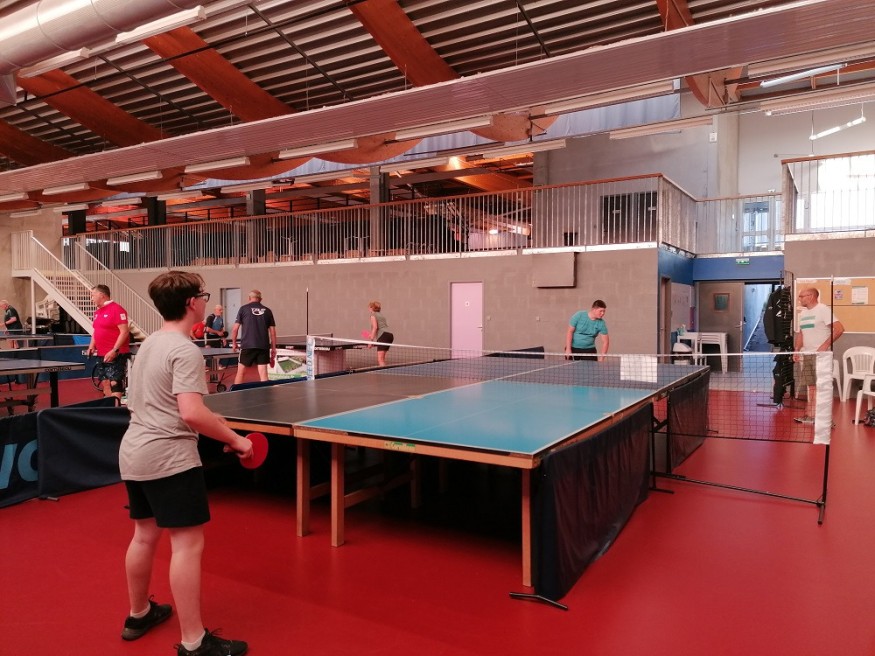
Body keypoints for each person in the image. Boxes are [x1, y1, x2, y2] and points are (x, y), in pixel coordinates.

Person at [119, 270, 250, 656]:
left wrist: (214, 421)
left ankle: (138, 614)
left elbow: (162, 402)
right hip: (169, 458)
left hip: (134, 452)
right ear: (192, 303)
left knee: (144, 536)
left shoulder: (149, 344)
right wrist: (236, 439)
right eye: (204, 296)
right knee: (187, 545)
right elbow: (190, 413)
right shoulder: (185, 349)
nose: (205, 301)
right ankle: (194, 641)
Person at [793, 287, 844, 424]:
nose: (799, 299)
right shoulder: (803, 313)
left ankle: (826, 419)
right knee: (811, 386)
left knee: (822, 387)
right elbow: (801, 333)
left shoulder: (823, 310)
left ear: (811, 296)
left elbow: (839, 329)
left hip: (821, 356)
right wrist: (797, 349)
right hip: (807, 354)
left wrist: (825, 345)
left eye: (802, 296)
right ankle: (811, 416)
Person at [85, 285, 131, 400]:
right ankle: (108, 408)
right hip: (101, 352)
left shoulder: (117, 309)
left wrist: (114, 350)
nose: (91, 298)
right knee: (105, 382)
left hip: (116, 353)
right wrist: (91, 345)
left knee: (114, 382)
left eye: (93, 295)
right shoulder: (97, 312)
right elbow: (96, 331)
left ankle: (116, 408)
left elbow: (124, 332)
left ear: (102, 295)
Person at [231, 290, 277, 384]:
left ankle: (236, 392)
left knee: (241, 373)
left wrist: (234, 343)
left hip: (247, 345)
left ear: (249, 298)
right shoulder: (268, 311)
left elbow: (235, 329)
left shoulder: (243, 309)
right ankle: (265, 392)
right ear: (260, 299)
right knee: (263, 374)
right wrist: (273, 348)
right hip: (263, 346)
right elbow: (273, 332)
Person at [368, 301, 394, 367]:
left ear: (372, 308)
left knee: (380, 359)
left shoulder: (373, 315)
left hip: (383, 336)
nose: (368, 309)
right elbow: (380, 327)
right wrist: (372, 336)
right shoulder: (381, 315)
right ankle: (385, 371)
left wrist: (371, 341)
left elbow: (375, 327)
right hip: (389, 335)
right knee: (382, 358)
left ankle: (384, 372)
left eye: (369, 307)